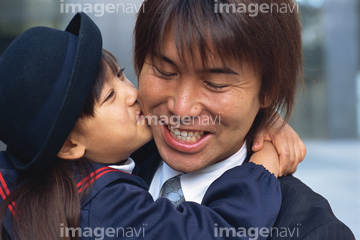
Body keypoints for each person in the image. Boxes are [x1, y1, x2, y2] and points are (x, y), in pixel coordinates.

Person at [0, 12, 286, 240]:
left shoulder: (31, 179)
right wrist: (263, 167)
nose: (132, 93)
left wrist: (262, 117)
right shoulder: (103, 205)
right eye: (110, 96)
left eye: (121, 76)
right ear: (69, 145)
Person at [132, 0, 356, 239]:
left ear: (268, 90)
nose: (182, 107)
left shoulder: (314, 231)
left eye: (215, 85)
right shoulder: (104, 161)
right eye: (164, 72)